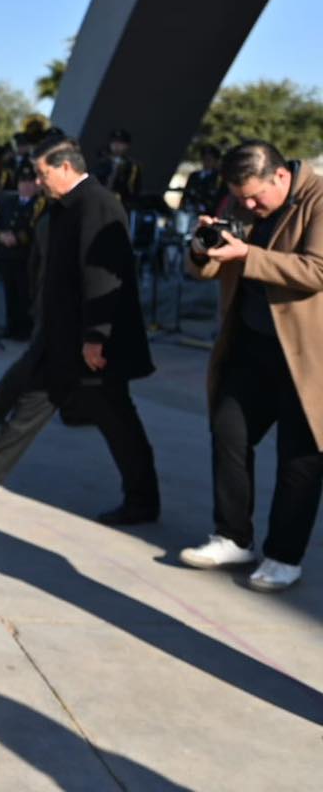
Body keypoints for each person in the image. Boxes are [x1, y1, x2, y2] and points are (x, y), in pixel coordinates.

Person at [0, 132, 160, 525]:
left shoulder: (98, 204)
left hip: (92, 342)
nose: (38, 180)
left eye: (43, 173)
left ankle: (143, 501)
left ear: (66, 167)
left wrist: (96, 337)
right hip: (61, 335)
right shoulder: (62, 206)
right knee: (31, 405)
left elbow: (104, 278)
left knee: (118, 421)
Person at [178, 141, 323, 592]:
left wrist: (247, 255)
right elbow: (207, 269)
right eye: (241, 199)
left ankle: (284, 556)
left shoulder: (319, 201)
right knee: (228, 433)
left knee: (299, 459)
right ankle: (233, 537)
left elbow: (317, 270)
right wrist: (204, 247)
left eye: (256, 197)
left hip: (306, 353)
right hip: (251, 346)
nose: (249, 206)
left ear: (281, 176)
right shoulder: (244, 204)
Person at [0, 167, 46, 339]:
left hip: (25, 255)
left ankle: (25, 329)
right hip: (6, 253)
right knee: (10, 292)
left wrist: (17, 237)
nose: (26, 186)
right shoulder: (9, 201)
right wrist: (1, 235)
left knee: (25, 293)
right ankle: (11, 326)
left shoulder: (40, 204)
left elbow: (35, 228)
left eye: (30, 183)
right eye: (23, 182)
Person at [95, 128, 142, 206]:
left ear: (127, 146)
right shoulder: (103, 161)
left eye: (120, 143)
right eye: (114, 142)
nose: (116, 146)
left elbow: (134, 189)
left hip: (120, 203)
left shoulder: (132, 166)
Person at [181, 144, 227, 217]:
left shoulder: (218, 178)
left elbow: (218, 197)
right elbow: (187, 193)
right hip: (190, 209)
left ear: (215, 160)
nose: (206, 162)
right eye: (204, 159)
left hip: (207, 212)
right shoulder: (194, 175)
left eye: (209, 159)